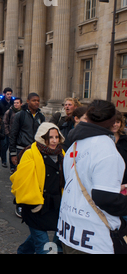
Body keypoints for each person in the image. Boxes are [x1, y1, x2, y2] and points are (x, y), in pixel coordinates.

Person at [58, 100, 127, 254]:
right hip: (95, 238)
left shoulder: (75, 145)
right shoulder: (107, 150)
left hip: (70, 230)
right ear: (111, 121)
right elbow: (104, 198)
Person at [11, 123, 65, 254]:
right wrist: (33, 201)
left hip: (55, 205)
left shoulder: (61, 154)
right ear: (42, 137)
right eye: (50, 137)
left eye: (56, 137)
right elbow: (23, 180)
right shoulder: (30, 153)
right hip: (36, 206)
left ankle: (22, 252)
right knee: (45, 247)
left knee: (38, 239)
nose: (54, 140)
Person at [9, 93, 45, 217]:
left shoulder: (41, 116)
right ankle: (19, 204)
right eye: (34, 100)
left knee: (34, 179)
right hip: (21, 150)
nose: (36, 103)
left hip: (36, 151)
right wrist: (13, 153)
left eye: (38, 101)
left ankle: (31, 203)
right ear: (28, 101)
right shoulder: (20, 115)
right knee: (21, 179)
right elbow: (13, 134)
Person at [3, 98, 23, 173]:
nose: (16, 104)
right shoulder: (9, 111)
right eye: (15, 103)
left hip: (20, 134)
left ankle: (18, 165)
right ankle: (12, 166)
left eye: (17, 103)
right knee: (11, 150)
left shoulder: (23, 113)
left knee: (18, 150)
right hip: (11, 134)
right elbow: (5, 122)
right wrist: (7, 132)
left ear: (21, 104)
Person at [113, 111, 127, 185]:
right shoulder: (102, 139)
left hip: (123, 182)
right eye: (113, 122)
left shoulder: (125, 140)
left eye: (117, 122)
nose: (115, 125)